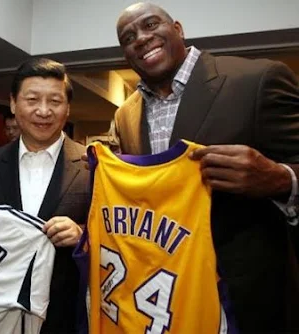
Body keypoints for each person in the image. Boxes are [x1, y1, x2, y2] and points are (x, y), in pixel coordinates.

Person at [114, 3, 299, 332]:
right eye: (129, 37)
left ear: (178, 29)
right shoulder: (125, 115)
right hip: (164, 298)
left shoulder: (257, 80)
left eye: (150, 24)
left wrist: (280, 179)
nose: (141, 38)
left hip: (246, 298)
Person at [0, 58, 89, 333]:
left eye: (55, 101)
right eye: (32, 99)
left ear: (67, 108)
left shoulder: (91, 166)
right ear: (13, 103)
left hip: (66, 316)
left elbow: (114, 239)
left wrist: (83, 235)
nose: (43, 111)